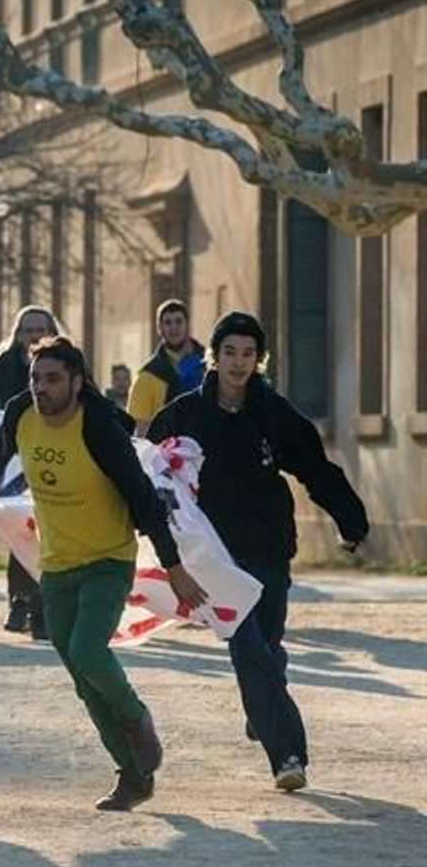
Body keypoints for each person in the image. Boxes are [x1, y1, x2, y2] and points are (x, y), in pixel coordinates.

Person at [146, 311, 369, 792]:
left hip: (269, 546)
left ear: (259, 359)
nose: (239, 363)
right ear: (215, 355)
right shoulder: (183, 414)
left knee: (268, 643)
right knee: (247, 648)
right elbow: (148, 471)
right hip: (216, 557)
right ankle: (287, 753)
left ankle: (262, 704)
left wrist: (351, 520)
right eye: (230, 352)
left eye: (249, 354)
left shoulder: (273, 412)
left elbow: (315, 466)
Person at [0, 336, 186, 811]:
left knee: (88, 651)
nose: (41, 389)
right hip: (57, 565)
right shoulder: (21, 412)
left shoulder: (98, 427)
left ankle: (137, 718)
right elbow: (2, 445)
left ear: (77, 383)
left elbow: (143, 498)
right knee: (83, 678)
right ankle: (133, 776)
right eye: (35, 378)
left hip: (107, 559)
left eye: (52, 380)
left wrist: (174, 567)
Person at [0, 304, 62, 640]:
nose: (33, 335)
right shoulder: (4, 365)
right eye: (27, 330)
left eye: (39, 329)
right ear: (18, 334)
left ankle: (41, 609)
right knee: (21, 532)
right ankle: (20, 600)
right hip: (15, 459)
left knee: (46, 534)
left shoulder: (66, 362)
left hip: (55, 456)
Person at [126, 299, 206, 437]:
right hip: (166, 454)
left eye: (179, 321)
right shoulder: (148, 376)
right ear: (159, 328)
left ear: (188, 325)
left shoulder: (210, 364)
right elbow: (141, 432)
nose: (174, 327)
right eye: (167, 322)